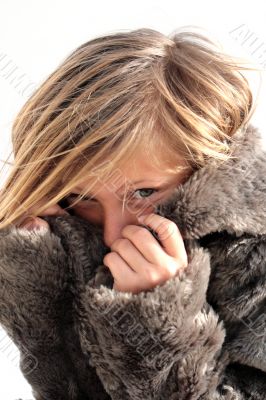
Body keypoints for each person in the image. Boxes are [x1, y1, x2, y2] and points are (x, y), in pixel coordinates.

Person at [0, 27, 265, 399]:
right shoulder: (64, 237)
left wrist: (159, 331)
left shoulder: (255, 262)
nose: (112, 233)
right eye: (81, 195)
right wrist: (40, 285)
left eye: (143, 192)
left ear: (207, 169)